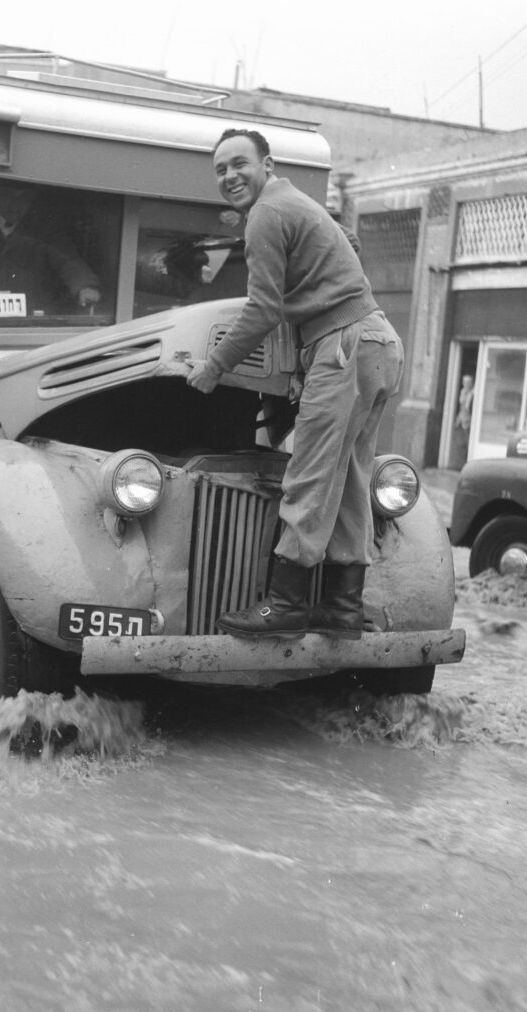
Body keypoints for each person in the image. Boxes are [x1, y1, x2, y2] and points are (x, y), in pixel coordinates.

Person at [187, 128, 404, 641]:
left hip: (343, 347)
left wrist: (214, 366)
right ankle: (343, 609)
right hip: (376, 343)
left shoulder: (265, 214)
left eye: (239, 164)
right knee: (350, 478)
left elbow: (264, 308)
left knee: (307, 473)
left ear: (266, 163)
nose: (230, 176)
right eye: (220, 170)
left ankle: (284, 606)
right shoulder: (296, 202)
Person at [0, 184, 101, 314]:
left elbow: (68, 260)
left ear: (32, 198)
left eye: (24, 197)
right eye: (7, 195)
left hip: (26, 320)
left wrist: (84, 286)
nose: (15, 203)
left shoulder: (43, 230)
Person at [451, 374, 473, 469]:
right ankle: (459, 464)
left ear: (471, 384)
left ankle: (466, 464)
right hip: (461, 419)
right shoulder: (462, 392)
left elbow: (470, 408)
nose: (465, 384)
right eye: (464, 382)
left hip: (468, 421)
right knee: (460, 443)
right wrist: (458, 419)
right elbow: (461, 407)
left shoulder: (472, 394)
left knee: (467, 443)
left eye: (468, 382)